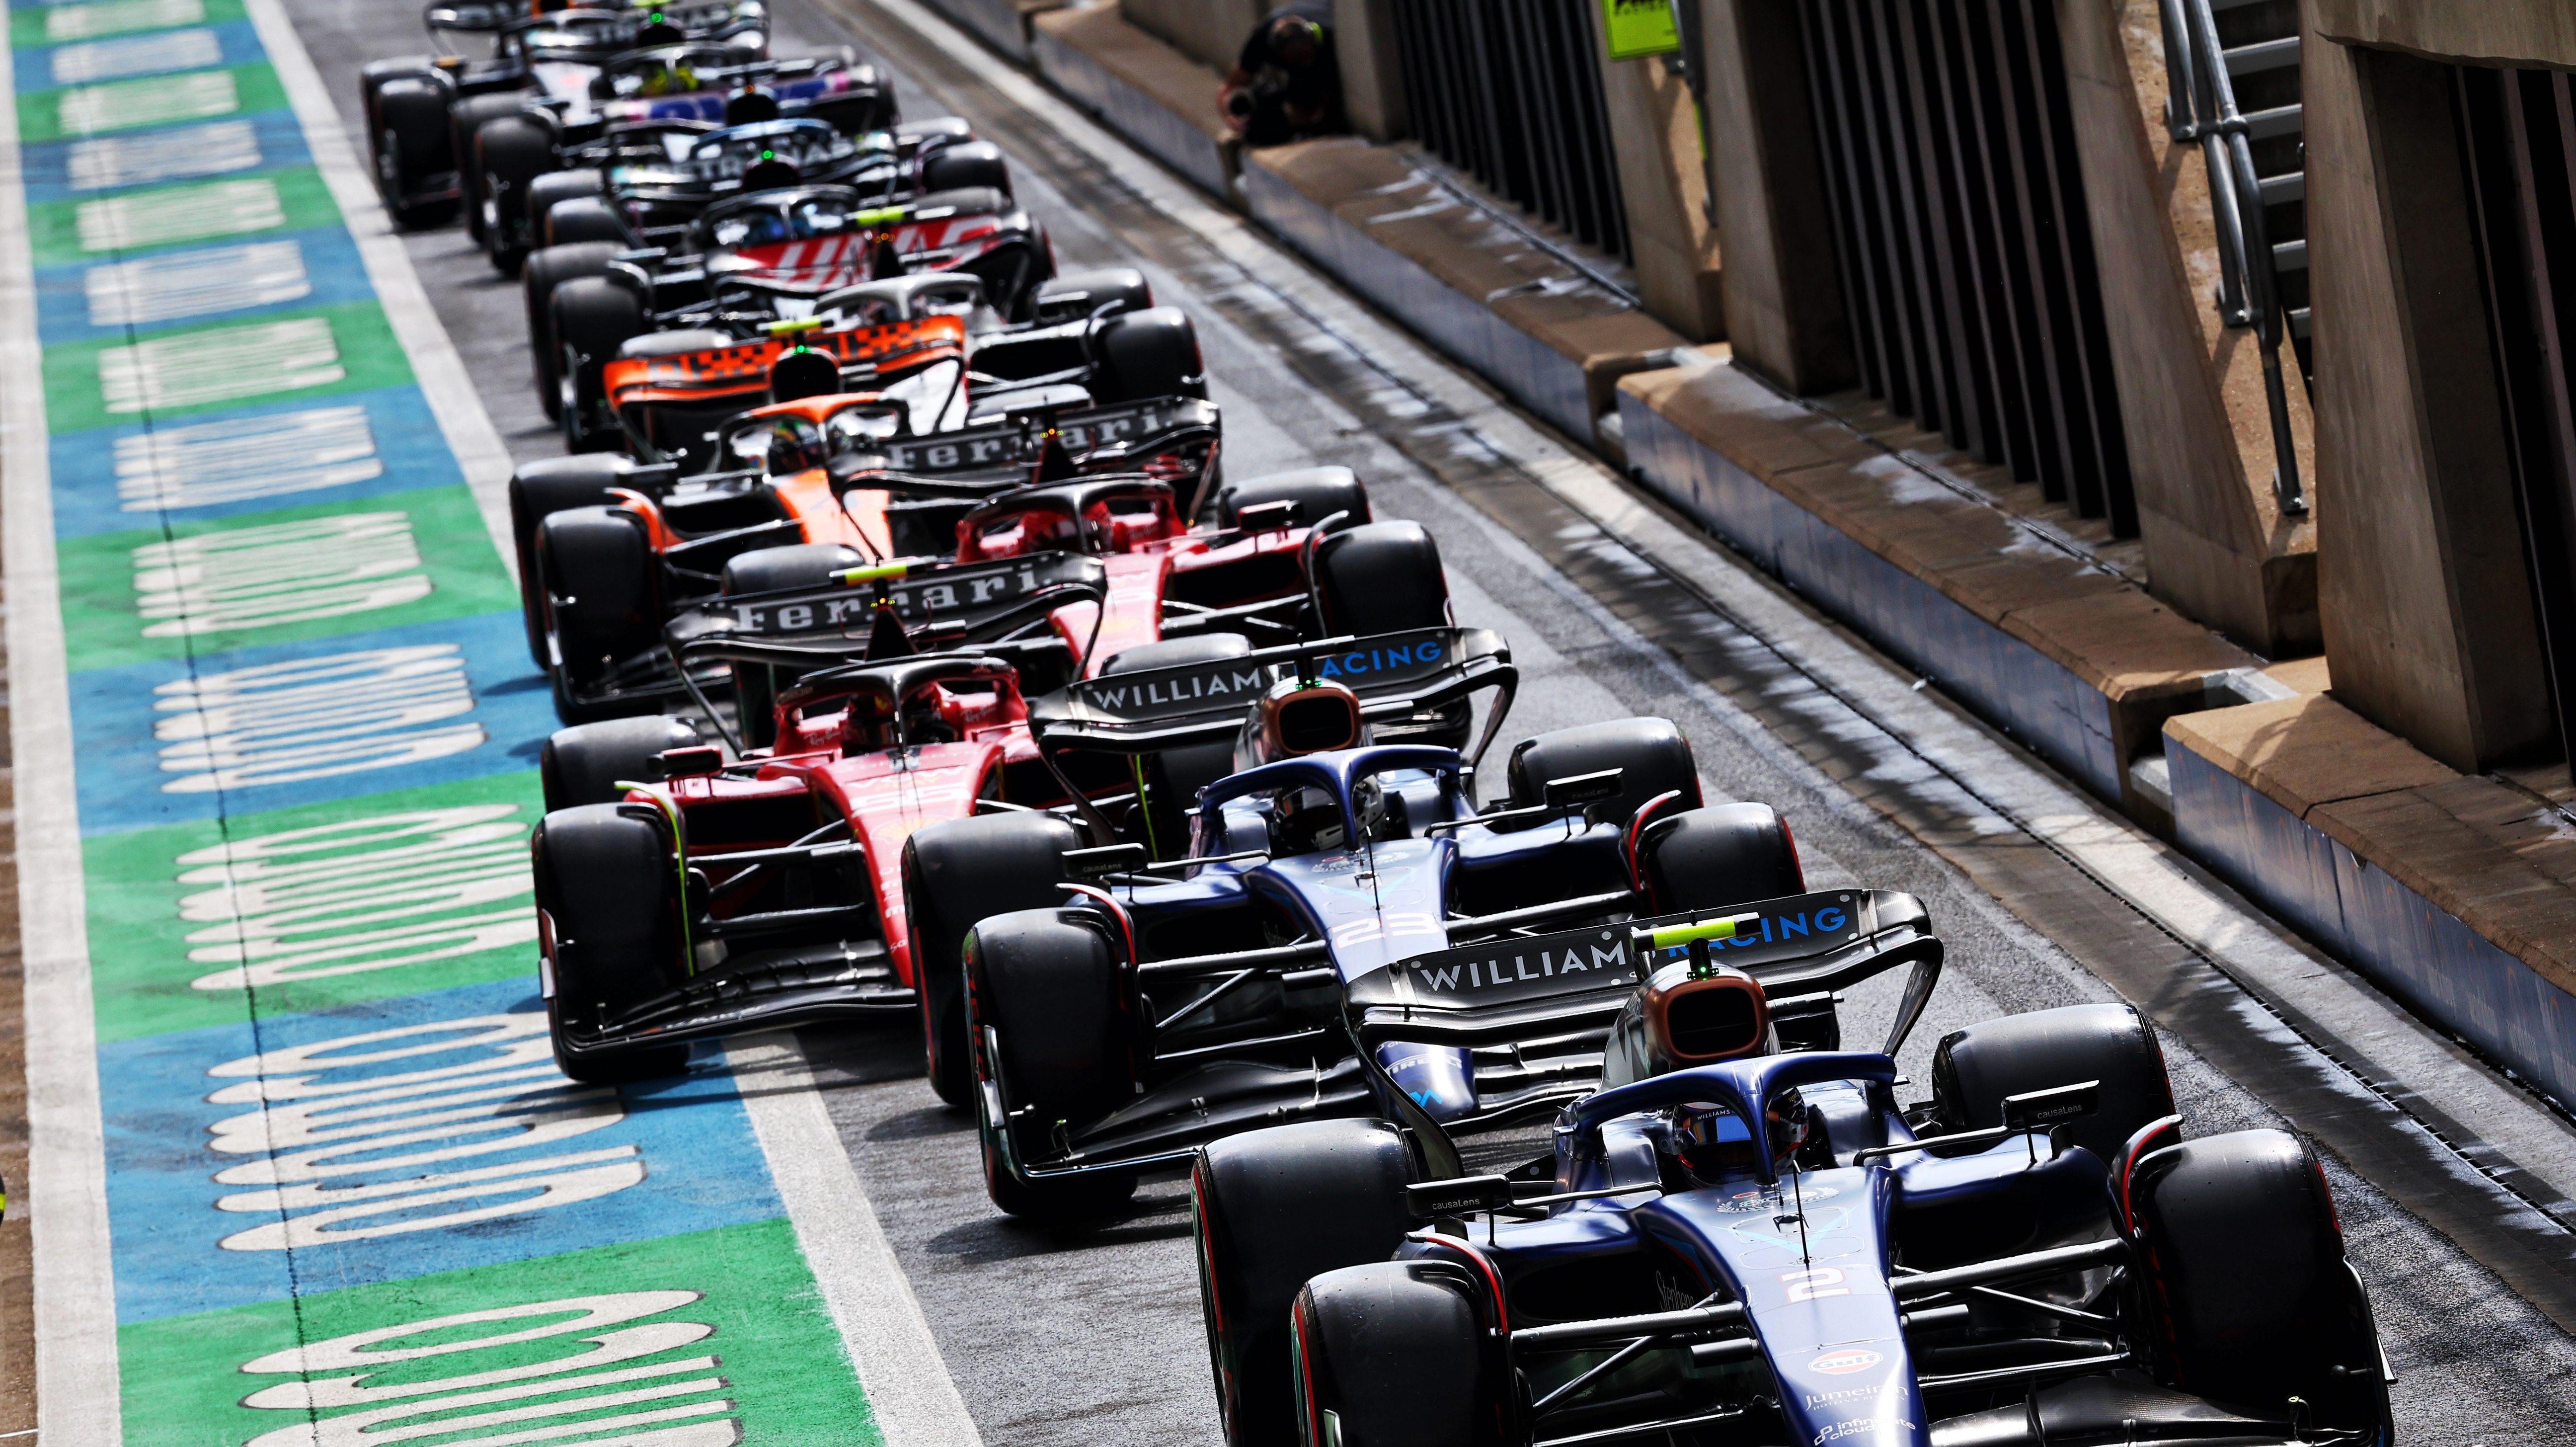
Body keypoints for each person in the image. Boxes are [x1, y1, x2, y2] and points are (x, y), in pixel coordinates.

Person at [1219, 2, 1342, 147]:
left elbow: (1325, 110)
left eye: (1305, 54)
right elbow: (1228, 88)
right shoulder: (1261, 40)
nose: (1302, 58)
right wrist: (1232, 117)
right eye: (1296, 56)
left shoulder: (1329, 42)